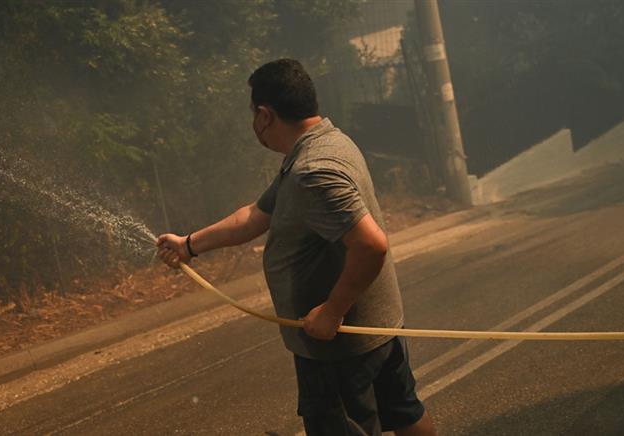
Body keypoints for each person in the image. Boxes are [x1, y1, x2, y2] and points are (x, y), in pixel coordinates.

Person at [156, 59, 436, 436]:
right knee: (404, 412)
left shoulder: (313, 171)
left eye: (252, 115)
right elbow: (257, 214)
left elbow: (371, 246)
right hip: (377, 325)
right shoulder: (326, 142)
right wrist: (189, 245)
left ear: (264, 114)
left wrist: (332, 312)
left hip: (341, 345)